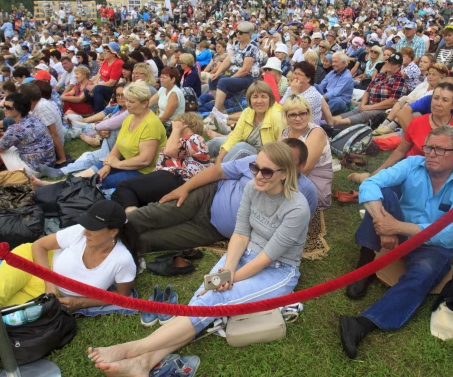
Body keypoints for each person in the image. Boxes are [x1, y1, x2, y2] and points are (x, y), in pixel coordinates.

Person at [88, 142, 311, 376]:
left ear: (285, 173)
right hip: (244, 255)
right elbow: (241, 233)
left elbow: (267, 257)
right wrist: (227, 269)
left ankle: (131, 350)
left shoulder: (297, 208)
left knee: (211, 300)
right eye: (255, 168)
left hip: (277, 269)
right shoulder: (252, 189)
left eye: (267, 171)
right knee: (201, 301)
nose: (258, 175)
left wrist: (228, 277)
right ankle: (143, 363)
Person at [339, 126, 453, 359]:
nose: (431, 153)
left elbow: (445, 233)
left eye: (440, 149)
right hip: (401, 228)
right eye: (428, 147)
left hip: (435, 246)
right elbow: (370, 184)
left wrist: (396, 227)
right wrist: (384, 223)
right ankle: (365, 270)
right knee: (383, 192)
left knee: (422, 275)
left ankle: (362, 323)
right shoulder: (414, 163)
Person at [0, 200, 137, 346]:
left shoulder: (122, 260)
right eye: (86, 224)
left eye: (93, 228)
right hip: (34, 264)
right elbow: (39, 245)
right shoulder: (79, 232)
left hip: (47, 298)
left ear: (112, 232)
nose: (86, 231)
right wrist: (50, 286)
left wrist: (80, 303)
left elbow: (122, 296)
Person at [125, 138, 317, 253]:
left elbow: (293, 228)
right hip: (207, 197)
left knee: (154, 241)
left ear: (301, 166)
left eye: (288, 162)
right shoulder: (258, 162)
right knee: (153, 215)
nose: (265, 171)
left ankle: (111, 249)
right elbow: (217, 171)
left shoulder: (305, 193)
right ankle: (103, 230)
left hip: (211, 230)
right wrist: (184, 188)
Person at [69, 82, 166, 189]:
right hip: (127, 164)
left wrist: (117, 164)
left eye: (131, 101)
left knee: (96, 183)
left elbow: (145, 160)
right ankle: (62, 184)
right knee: (93, 171)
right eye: (127, 100)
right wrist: (108, 165)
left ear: (145, 103)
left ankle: (66, 188)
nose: (127, 104)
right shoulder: (129, 118)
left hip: (143, 172)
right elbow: (118, 145)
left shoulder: (151, 125)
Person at [112, 113, 210, 212]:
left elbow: (170, 151)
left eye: (177, 123)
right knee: (125, 197)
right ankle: (133, 217)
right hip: (170, 178)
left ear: (184, 124)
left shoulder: (195, 138)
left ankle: (133, 219)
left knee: (124, 188)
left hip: (175, 176)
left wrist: (176, 129)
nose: (173, 126)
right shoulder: (181, 141)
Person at [0, 92, 55, 179]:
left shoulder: (15, 129)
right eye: (4, 106)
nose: (4, 109)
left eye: (8, 107)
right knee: (1, 142)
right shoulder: (33, 118)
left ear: (19, 110)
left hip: (33, 170)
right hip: (48, 163)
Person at [208, 81, 283, 164]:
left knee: (241, 148)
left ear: (270, 99)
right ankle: (195, 161)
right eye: (255, 97)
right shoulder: (247, 112)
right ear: (249, 99)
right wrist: (220, 157)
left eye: (263, 96)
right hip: (245, 144)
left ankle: (218, 171)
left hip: (264, 156)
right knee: (215, 142)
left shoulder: (277, 117)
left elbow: (281, 148)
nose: (259, 101)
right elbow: (235, 136)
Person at [280, 95, 332, 210]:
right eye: (293, 114)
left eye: (302, 113)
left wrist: (275, 179)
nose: (298, 118)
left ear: (308, 113)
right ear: (286, 117)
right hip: (289, 176)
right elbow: (277, 158)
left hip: (312, 183)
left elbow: (304, 169)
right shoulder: (285, 132)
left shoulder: (316, 133)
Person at [373, 63, 449, 136]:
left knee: (409, 103)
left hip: (424, 113)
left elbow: (427, 105)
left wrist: (410, 104)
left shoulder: (440, 90)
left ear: (442, 77)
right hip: (409, 107)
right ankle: (384, 124)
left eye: (434, 74)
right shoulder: (424, 84)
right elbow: (409, 96)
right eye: (429, 74)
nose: (430, 76)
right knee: (404, 99)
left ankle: (391, 127)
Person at [333, 53, 407, 126]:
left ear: (399, 66)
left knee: (365, 114)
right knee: (356, 111)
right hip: (369, 105)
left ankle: (337, 123)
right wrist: (363, 105)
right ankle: (331, 120)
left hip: (383, 109)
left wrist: (369, 107)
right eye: (389, 62)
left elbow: (392, 101)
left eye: (393, 63)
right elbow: (368, 90)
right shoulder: (380, 75)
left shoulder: (400, 80)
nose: (390, 64)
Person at [210, 22, 260, 113]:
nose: (237, 34)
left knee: (223, 82)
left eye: (240, 33)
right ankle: (221, 110)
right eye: (237, 32)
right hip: (236, 75)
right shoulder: (236, 43)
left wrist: (231, 79)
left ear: (248, 35)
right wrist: (217, 73)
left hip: (248, 78)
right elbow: (228, 60)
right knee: (212, 79)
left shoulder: (252, 47)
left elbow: (245, 70)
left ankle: (215, 112)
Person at [85, 42, 123, 113]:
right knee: (87, 89)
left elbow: (112, 83)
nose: (103, 53)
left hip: (112, 88)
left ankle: (98, 112)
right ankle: (92, 111)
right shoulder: (106, 60)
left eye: (106, 51)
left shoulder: (118, 63)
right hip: (101, 84)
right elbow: (99, 74)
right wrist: (94, 83)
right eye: (104, 51)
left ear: (112, 53)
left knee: (97, 89)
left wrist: (95, 86)